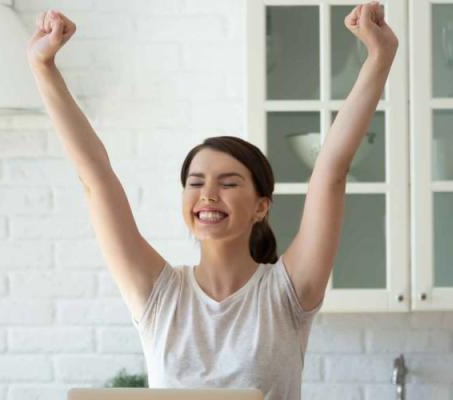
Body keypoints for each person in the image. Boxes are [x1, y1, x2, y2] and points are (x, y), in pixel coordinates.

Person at [26, 3, 397, 399]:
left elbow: (331, 172)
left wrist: (379, 57)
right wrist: (42, 67)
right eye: (196, 182)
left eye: (229, 183)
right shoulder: (158, 295)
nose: (207, 194)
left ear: (261, 206)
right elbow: (96, 178)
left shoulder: (286, 294)